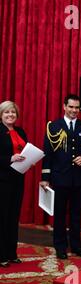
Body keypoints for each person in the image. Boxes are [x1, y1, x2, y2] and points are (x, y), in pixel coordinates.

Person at [39, 94, 81, 260]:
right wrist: (45, 177)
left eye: (77, 108)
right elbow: (47, 154)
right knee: (60, 215)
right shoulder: (54, 126)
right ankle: (60, 246)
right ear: (64, 107)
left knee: (76, 214)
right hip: (60, 177)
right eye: (71, 107)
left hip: (79, 179)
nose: (74, 110)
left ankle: (77, 245)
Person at [0, 101, 27, 267]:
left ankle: (11, 253)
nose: (10, 115)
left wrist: (30, 159)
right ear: (1, 115)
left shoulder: (21, 131)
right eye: (6, 112)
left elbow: (25, 151)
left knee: (13, 217)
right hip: (2, 181)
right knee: (2, 218)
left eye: (13, 112)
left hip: (18, 180)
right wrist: (10, 158)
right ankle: (1, 255)